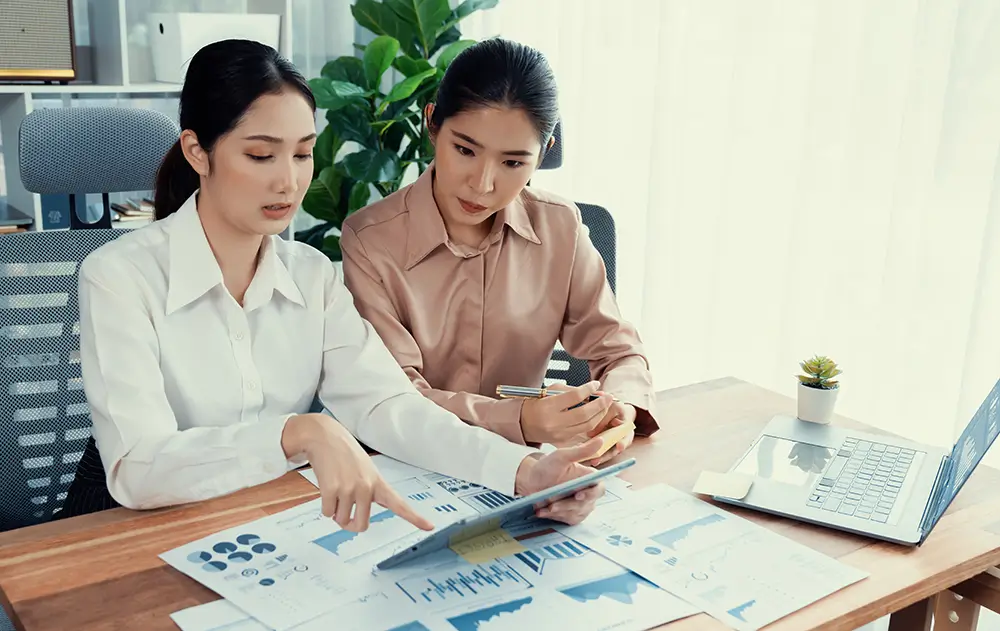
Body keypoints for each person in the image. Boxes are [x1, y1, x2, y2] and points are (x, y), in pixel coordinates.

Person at [58, 39, 608, 532]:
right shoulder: (120, 276)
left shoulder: (311, 276)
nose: (289, 180)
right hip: (125, 529)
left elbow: (390, 407)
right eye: (260, 154)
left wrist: (525, 472)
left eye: (302, 153)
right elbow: (138, 469)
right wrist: (297, 434)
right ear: (198, 151)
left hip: (260, 521)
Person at [341, 38, 660, 465]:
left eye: (512, 163)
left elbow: (617, 349)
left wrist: (620, 405)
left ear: (542, 154)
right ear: (432, 123)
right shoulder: (369, 241)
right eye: (465, 150)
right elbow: (396, 397)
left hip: (530, 468)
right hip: (411, 464)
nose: (483, 183)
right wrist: (521, 419)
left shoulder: (560, 226)